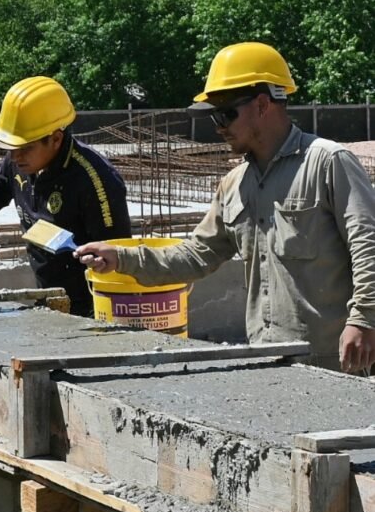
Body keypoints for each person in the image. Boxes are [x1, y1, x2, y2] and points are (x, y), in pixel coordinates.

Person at [75, 42, 375, 372]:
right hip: (270, 362)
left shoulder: (327, 163)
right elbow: (195, 255)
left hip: (339, 361)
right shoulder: (234, 185)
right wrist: (122, 258)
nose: (218, 126)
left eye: (225, 114)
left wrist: (364, 320)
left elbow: (368, 245)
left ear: (263, 104)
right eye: (213, 116)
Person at [0, 76, 131, 316]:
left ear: (56, 139)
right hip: (49, 297)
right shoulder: (20, 161)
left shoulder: (96, 180)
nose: (15, 157)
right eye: (11, 148)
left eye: (25, 147)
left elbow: (118, 255)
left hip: (93, 307)